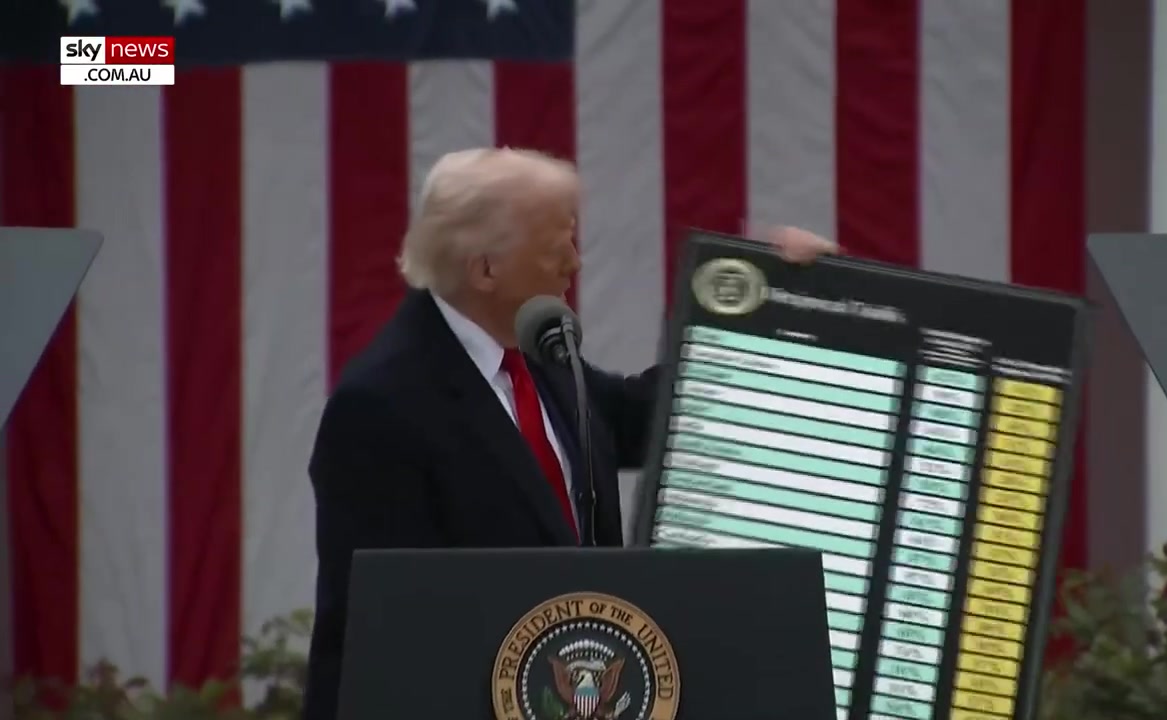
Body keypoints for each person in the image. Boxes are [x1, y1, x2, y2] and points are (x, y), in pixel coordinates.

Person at [301, 147, 837, 720]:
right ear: (486, 269)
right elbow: (380, 634)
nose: (575, 264)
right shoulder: (381, 406)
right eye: (557, 247)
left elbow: (647, 414)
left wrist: (783, 305)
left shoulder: (537, 354)